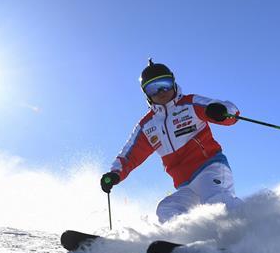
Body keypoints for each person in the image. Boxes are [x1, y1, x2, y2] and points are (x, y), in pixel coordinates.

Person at [101, 60, 242, 222]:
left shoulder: (190, 104)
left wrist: (221, 111)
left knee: (216, 202)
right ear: (147, 94)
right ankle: (190, 242)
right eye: (153, 88)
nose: (161, 91)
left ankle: (254, 228)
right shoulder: (148, 125)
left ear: (173, 83)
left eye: (165, 84)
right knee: (167, 209)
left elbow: (231, 112)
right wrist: (114, 174)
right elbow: (129, 155)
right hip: (185, 185)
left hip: (209, 169)